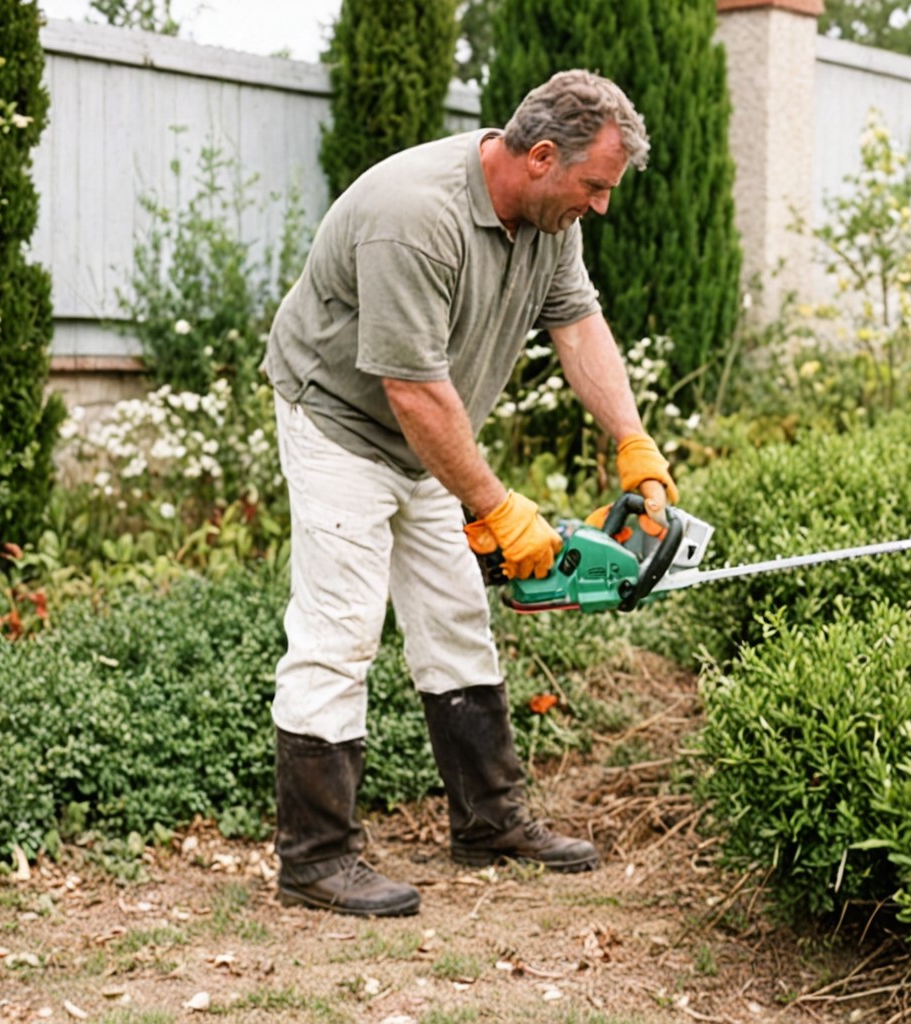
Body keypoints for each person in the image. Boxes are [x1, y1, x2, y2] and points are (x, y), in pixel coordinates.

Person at [260, 70, 678, 918]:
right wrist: (495, 507)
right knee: (339, 632)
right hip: (342, 421)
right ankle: (315, 858)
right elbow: (409, 388)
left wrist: (633, 442)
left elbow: (579, 324)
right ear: (541, 156)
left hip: (423, 434)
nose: (600, 206)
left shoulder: (548, 218)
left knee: (455, 616)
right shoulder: (415, 218)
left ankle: (488, 823)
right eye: (595, 187)